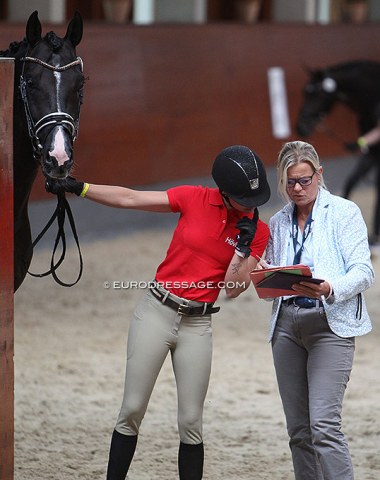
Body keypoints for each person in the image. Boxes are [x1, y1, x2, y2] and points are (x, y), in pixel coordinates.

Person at [45, 145, 271, 480]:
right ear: (223, 192)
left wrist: (241, 250)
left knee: (191, 422)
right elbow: (132, 199)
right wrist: (81, 188)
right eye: (243, 199)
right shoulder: (194, 198)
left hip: (198, 324)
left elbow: (234, 290)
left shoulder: (257, 233)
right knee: (132, 410)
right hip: (157, 312)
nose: (251, 207)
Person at [263, 141, 374, 480]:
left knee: (324, 426)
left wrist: (329, 288)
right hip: (286, 324)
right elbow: (270, 278)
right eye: (290, 182)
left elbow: (364, 271)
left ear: (319, 174)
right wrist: (266, 275)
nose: (297, 189)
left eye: (304, 180)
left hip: (331, 324)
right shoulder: (278, 221)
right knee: (299, 431)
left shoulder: (344, 212)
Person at [344, 105, 380, 249]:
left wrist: (360, 142)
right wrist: (359, 143)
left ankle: (377, 234)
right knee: (351, 181)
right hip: (373, 153)